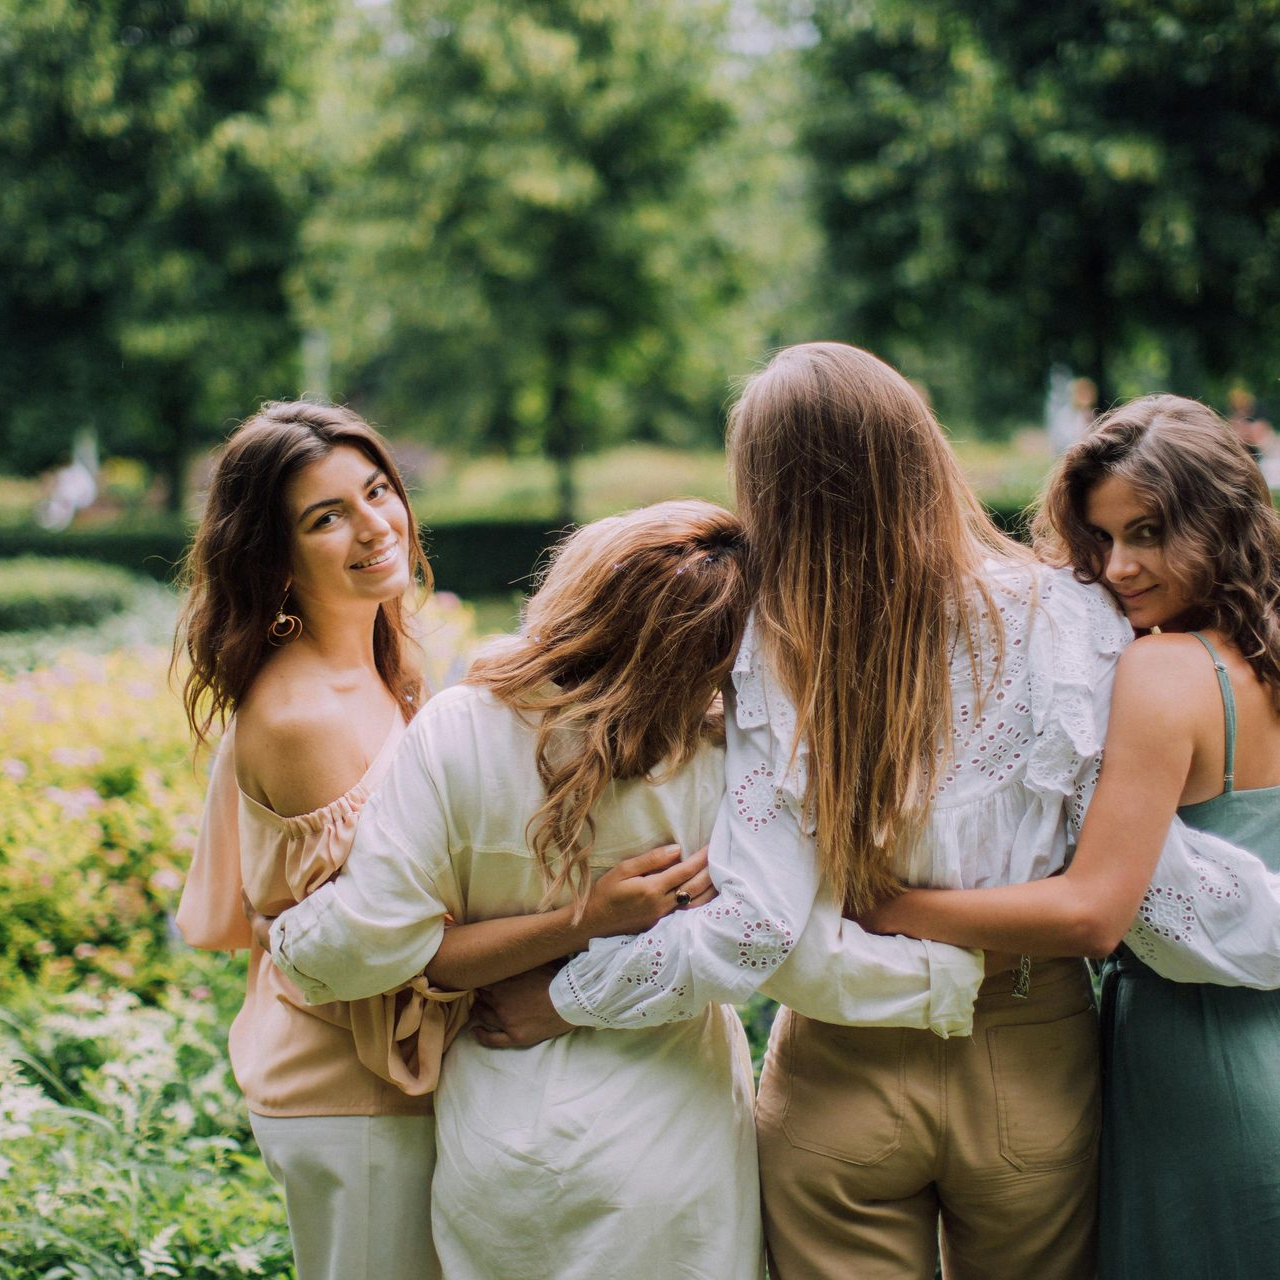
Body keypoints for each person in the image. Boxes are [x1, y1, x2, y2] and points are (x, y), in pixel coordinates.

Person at [475, 345, 1280, 1280]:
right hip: (1030, 1055)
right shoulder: (1081, 624)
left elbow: (755, 931)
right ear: (923, 451)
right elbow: (1143, 888)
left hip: (839, 1072)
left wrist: (567, 996)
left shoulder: (766, 651)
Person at [172, 403, 692, 1280]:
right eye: (324, 517)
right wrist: (586, 918)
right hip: (353, 1097)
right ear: (273, 555)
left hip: (401, 1082)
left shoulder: (382, 664)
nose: (374, 526)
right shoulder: (305, 715)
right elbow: (393, 945)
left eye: (377, 491)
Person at [268, 500, 766, 1279]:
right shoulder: (729, 759)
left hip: (503, 1135)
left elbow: (380, 945)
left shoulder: (458, 727)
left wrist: (290, 936)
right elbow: (758, 943)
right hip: (674, 1138)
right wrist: (594, 923)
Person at [859, 395, 1280, 1280]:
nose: (1120, 567)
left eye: (1151, 532)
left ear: (1224, 523)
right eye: (1103, 538)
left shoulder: (1165, 670)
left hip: (1204, 1069)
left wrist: (896, 906)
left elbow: (1093, 914)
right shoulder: (1261, 659)